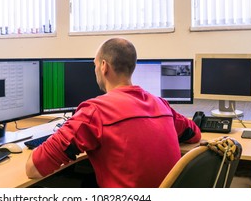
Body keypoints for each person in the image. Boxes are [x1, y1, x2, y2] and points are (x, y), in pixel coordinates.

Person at [26, 37, 201, 187]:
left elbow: (34, 168)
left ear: (104, 66)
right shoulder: (161, 104)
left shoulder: (94, 112)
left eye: (94, 65)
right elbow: (194, 134)